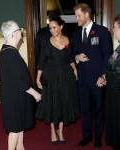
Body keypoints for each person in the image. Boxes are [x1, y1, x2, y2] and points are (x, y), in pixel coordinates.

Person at [73, 3, 113, 148]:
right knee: (85, 110)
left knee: (99, 110)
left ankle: (97, 138)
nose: (76, 18)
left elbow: (107, 56)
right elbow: (73, 53)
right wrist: (77, 57)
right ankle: (87, 136)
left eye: (78, 16)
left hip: (97, 80)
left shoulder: (102, 32)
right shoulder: (76, 34)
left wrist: (103, 76)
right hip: (82, 80)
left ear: (87, 15)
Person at [36, 16, 79, 144]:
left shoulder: (69, 41)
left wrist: (75, 69)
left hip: (66, 75)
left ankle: (60, 130)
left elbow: (70, 57)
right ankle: (52, 130)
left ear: (61, 26)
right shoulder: (46, 42)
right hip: (51, 75)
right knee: (52, 101)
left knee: (63, 101)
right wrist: (38, 78)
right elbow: (42, 62)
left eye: (54, 27)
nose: (52, 30)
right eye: (50, 28)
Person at [0, 20, 41, 150]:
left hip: (15, 95)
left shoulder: (7, 50)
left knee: (19, 125)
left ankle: (21, 147)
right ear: (15, 34)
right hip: (14, 96)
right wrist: (35, 94)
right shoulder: (10, 54)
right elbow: (18, 81)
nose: (21, 32)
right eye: (20, 30)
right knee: (15, 129)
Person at [102, 14, 120, 150]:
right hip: (114, 93)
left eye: (115, 27)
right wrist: (105, 77)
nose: (113, 31)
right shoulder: (118, 48)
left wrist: (107, 78)